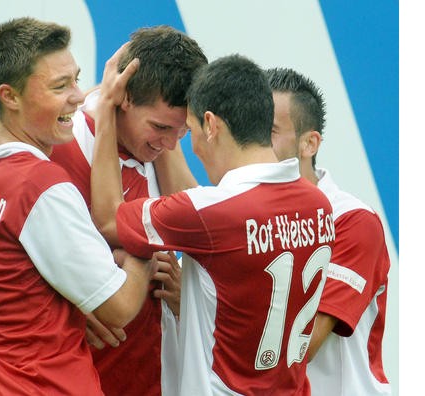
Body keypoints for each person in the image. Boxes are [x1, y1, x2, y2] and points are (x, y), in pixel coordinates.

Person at [91, 53, 336, 395]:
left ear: (210, 125)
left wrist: (105, 110)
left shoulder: (212, 213)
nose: (181, 144)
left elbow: (107, 218)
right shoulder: (319, 205)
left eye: (185, 131)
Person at [0, 17, 156, 395]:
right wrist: (143, 251)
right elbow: (121, 307)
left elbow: (22, 282)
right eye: (60, 86)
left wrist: (107, 95)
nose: (77, 96)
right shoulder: (39, 185)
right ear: (9, 96)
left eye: (76, 79)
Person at [50, 25, 207, 396]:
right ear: (124, 98)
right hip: (77, 378)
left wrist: (183, 289)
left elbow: (200, 228)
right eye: (160, 127)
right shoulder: (58, 147)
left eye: (182, 132)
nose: (169, 143)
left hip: (151, 376)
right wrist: (65, 305)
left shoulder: (161, 149)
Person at [265, 67, 392, 395]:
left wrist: (203, 306)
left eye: (270, 131)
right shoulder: (240, 218)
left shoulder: (354, 221)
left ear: (310, 143)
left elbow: (300, 350)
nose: (254, 144)